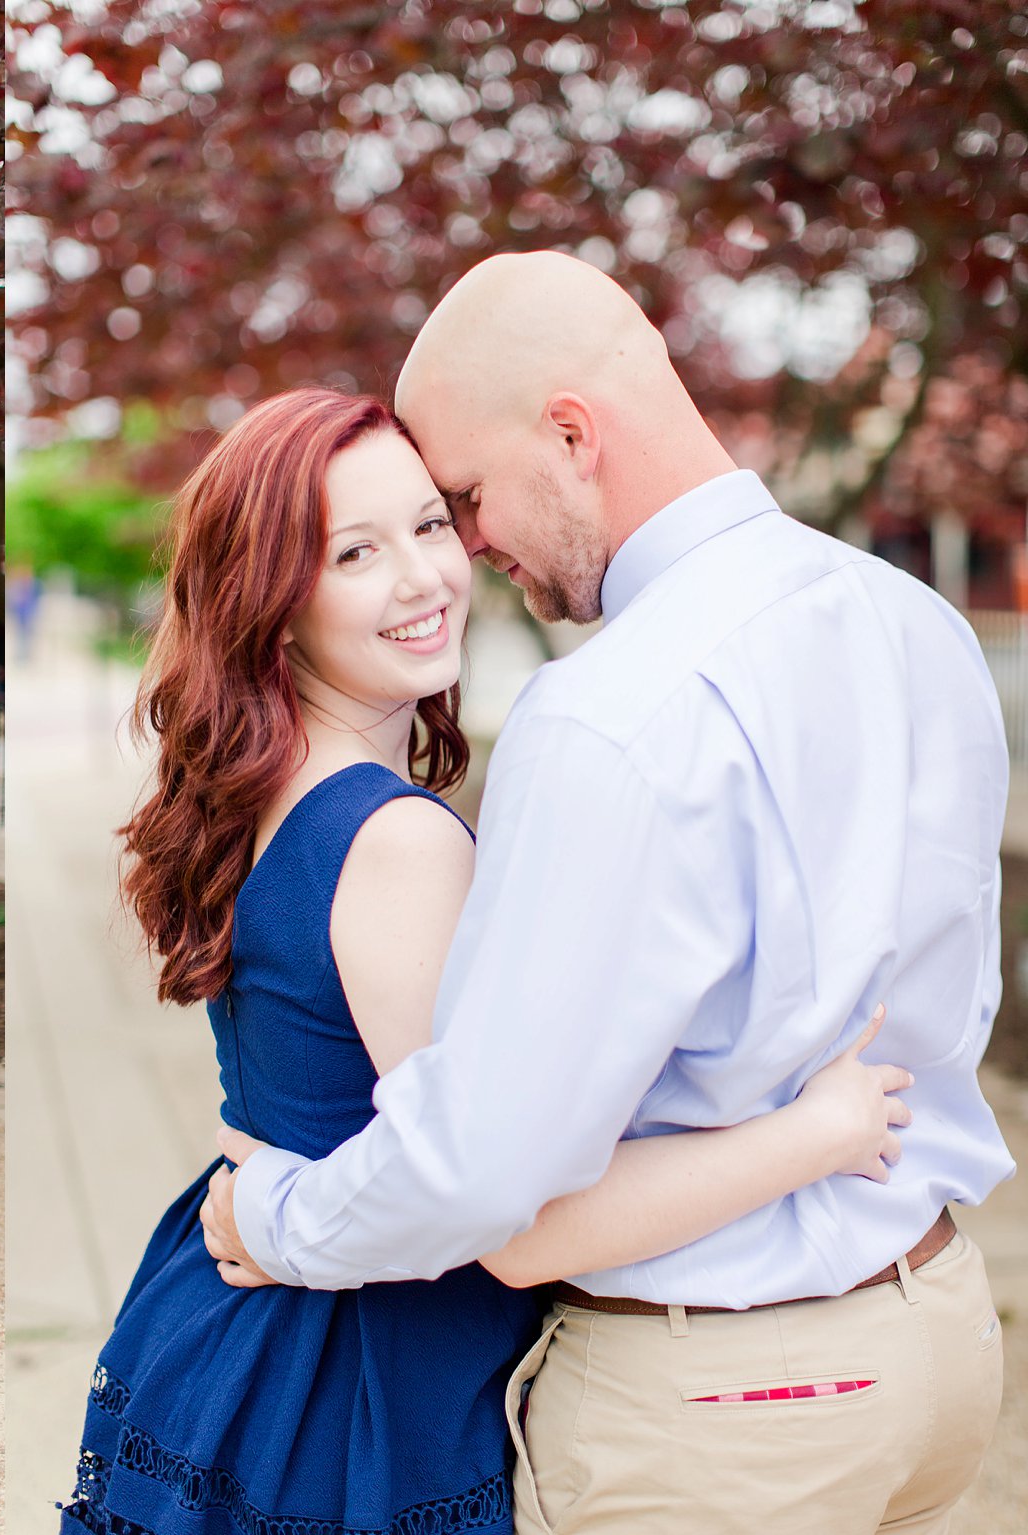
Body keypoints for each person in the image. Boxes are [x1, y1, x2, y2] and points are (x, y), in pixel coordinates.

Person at [204, 255, 1013, 1534]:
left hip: (719, 1410)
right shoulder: (915, 621)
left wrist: (276, 1213)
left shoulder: (607, 713)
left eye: (461, 499)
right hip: (935, 1347)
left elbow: (490, 1183)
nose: (466, 547)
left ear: (570, 435)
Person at [59, 387, 913, 1535]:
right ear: (270, 597)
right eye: (355, 551)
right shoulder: (392, 840)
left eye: (428, 523)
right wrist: (818, 1132)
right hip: (356, 1368)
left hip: (230, 1326)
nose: (423, 576)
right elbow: (512, 1213)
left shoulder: (258, 795)